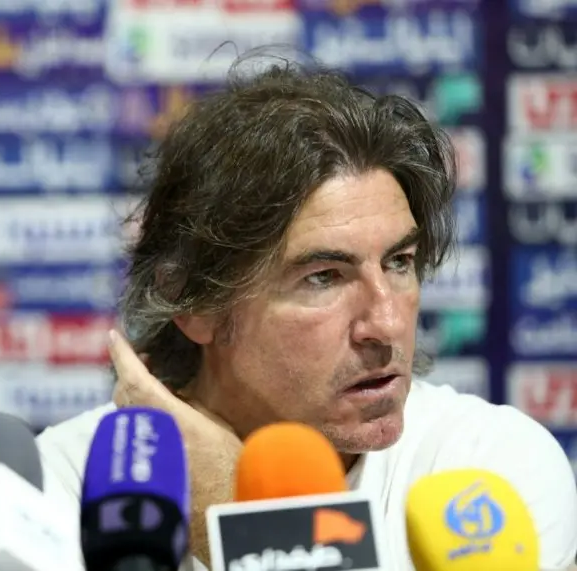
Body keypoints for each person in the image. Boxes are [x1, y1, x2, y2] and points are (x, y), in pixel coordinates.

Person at [37, 55, 577, 571]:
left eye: (399, 262)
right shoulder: (65, 486)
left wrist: (230, 509)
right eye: (324, 277)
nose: (387, 324)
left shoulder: (483, 470)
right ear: (195, 303)